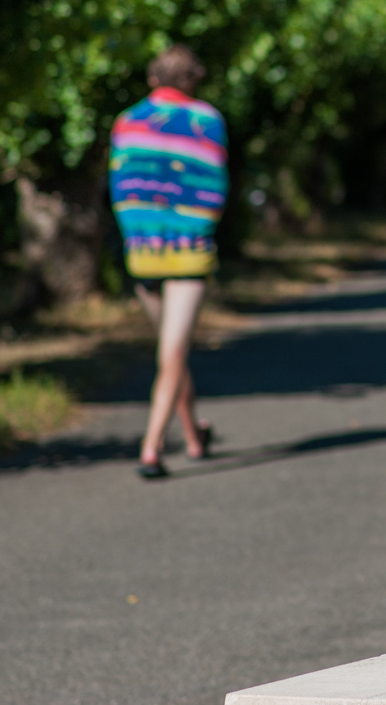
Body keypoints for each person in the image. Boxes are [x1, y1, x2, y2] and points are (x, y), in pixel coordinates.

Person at [109, 44, 227, 478]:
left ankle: (189, 437)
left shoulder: (128, 121)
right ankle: (152, 447)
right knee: (173, 353)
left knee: (170, 353)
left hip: (143, 252)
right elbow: (212, 185)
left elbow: (122, 185)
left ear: (152, 78)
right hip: (188, 251)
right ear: (194, 80)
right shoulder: (207, 120)